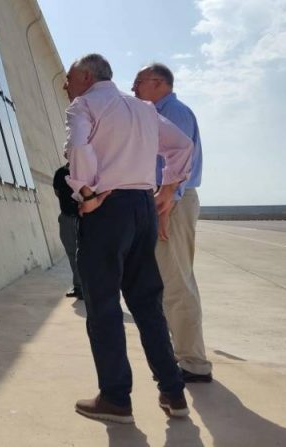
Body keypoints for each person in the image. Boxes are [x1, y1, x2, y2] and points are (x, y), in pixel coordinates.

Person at [63, 54, 193, 423]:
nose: (66, 85)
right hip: (142, 206)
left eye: (68, 78)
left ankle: (116, 397)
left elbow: (78, 149)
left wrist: (85, 194)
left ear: (86, 76)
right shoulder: (143, 109)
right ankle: (173, 392)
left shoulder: (83, 104)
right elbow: (182, 145)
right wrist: (168, 185)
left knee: (103, 307)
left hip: (106, 208)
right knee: (147, 303)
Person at [132, 63, 212, 383]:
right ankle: (179, 355)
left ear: (159, 83)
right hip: (166, 202)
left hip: (172, 204)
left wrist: (166, 206)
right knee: (167, 282)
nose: (134, 88)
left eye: (139, 82)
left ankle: (193, 362)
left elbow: (179, 163)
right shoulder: (157, 113)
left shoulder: (173, 112)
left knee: (177, 283)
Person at [53, 158, 83, 299]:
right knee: (72, 253)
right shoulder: (60, 173)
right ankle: (79, 287)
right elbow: (57, 192)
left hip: (85, 217)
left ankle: (89, 286)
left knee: (87, 253)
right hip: (67, 217)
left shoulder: (84, 172)